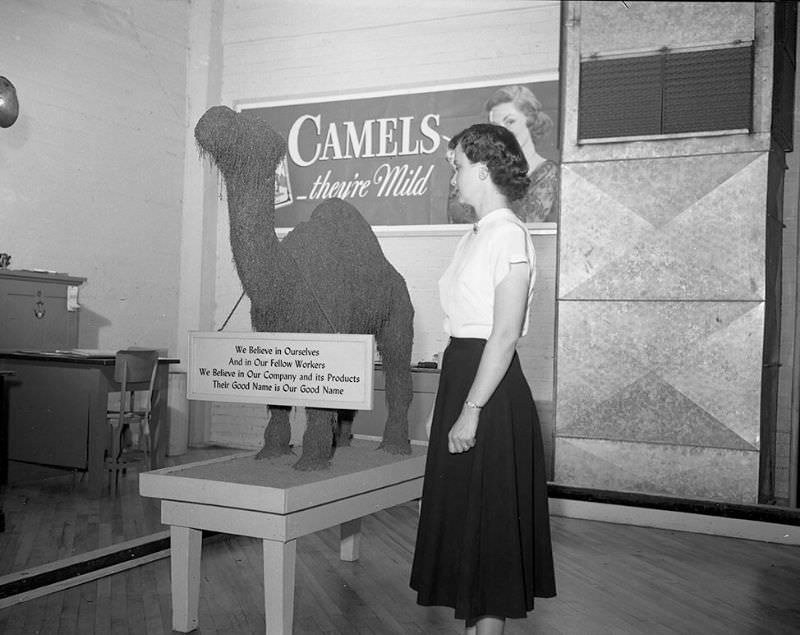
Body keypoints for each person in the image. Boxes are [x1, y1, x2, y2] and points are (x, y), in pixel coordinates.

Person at [411, 123, 556, 635]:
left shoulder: (509, 233)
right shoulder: (474, 236)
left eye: (456, 166)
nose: (452, 177)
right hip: (464, 379)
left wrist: (470, 409)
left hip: (490, 394)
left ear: (481, 167)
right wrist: (443, 405)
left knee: (490, 533)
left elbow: (505, 333)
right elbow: (461, 330)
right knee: (467, 530)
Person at [448, 85, 559, 224]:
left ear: (530, 121)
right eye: (495, 126)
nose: (502, 131)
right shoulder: (475, 173)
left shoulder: (547, 174)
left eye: (510, 121)